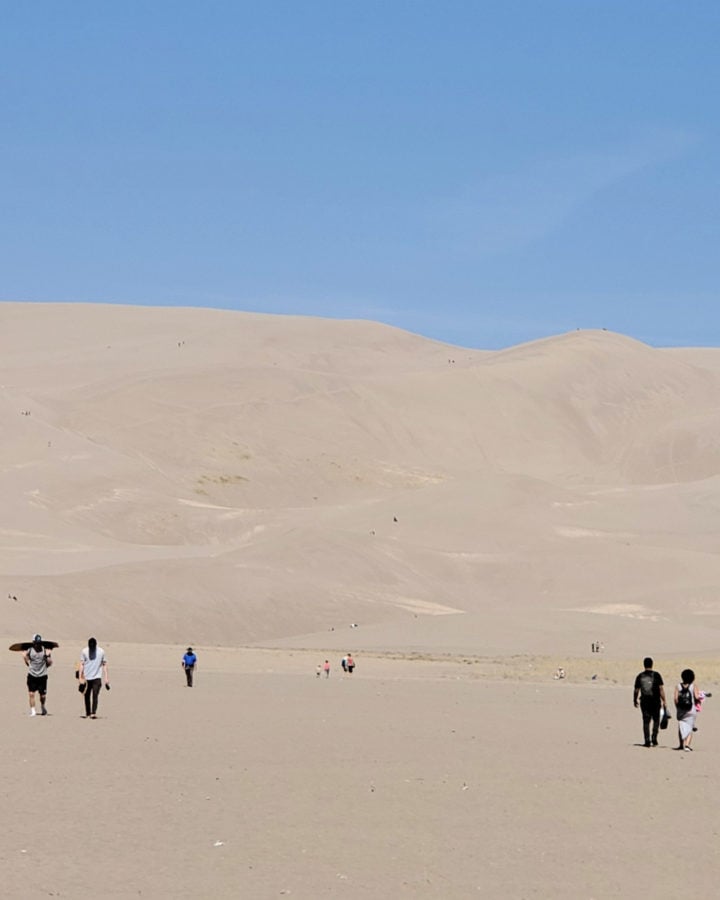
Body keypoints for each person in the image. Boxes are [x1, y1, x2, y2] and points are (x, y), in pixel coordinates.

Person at [633, 657, 666, 747]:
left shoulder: (640, 676)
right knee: (656, 719)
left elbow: (636, 690)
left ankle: (647, 740)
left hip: (645, 701)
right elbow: (661, 689)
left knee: (646, 721)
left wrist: (635, 700)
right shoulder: (657, 675)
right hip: (655, 701)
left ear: (644, 665)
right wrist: (664, 700)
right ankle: (654, 737)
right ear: (652, 664)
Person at [79, 638, 110, 718]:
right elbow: (81, 664)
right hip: (87, 677)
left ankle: (93, 713)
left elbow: (104, 664)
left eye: (93, 647)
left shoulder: (101, 651)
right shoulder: (84, 651)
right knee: (86, 695)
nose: (91, 648)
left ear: (96, 645)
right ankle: (88, 712)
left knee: (95, 694)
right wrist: (80, 677)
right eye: (90, 647)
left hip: (97, 677)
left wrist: (106, 678)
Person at [23, 634, 52, 716]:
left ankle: (43, 706)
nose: (38, 645)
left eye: (39, 643)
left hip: (42, 676)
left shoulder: (45, 650)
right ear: (33, 643)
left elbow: (49, 664)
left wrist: (47, 656)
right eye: (36, 643)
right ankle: (33, 711)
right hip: (32, 675)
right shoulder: (30, 650)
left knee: (42, 696)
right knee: (31, 694)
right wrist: (25, 658)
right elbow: (27, 662)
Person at [674, 668, 702, 751]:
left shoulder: (678, 686)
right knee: (689, 727)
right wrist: (701, 698)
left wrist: (678, 708)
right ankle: (687, 745)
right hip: (691, 710)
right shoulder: (693, 686)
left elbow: (675, 699)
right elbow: (697, 697)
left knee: (681, 726)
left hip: (681, 710)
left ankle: (681, 744)